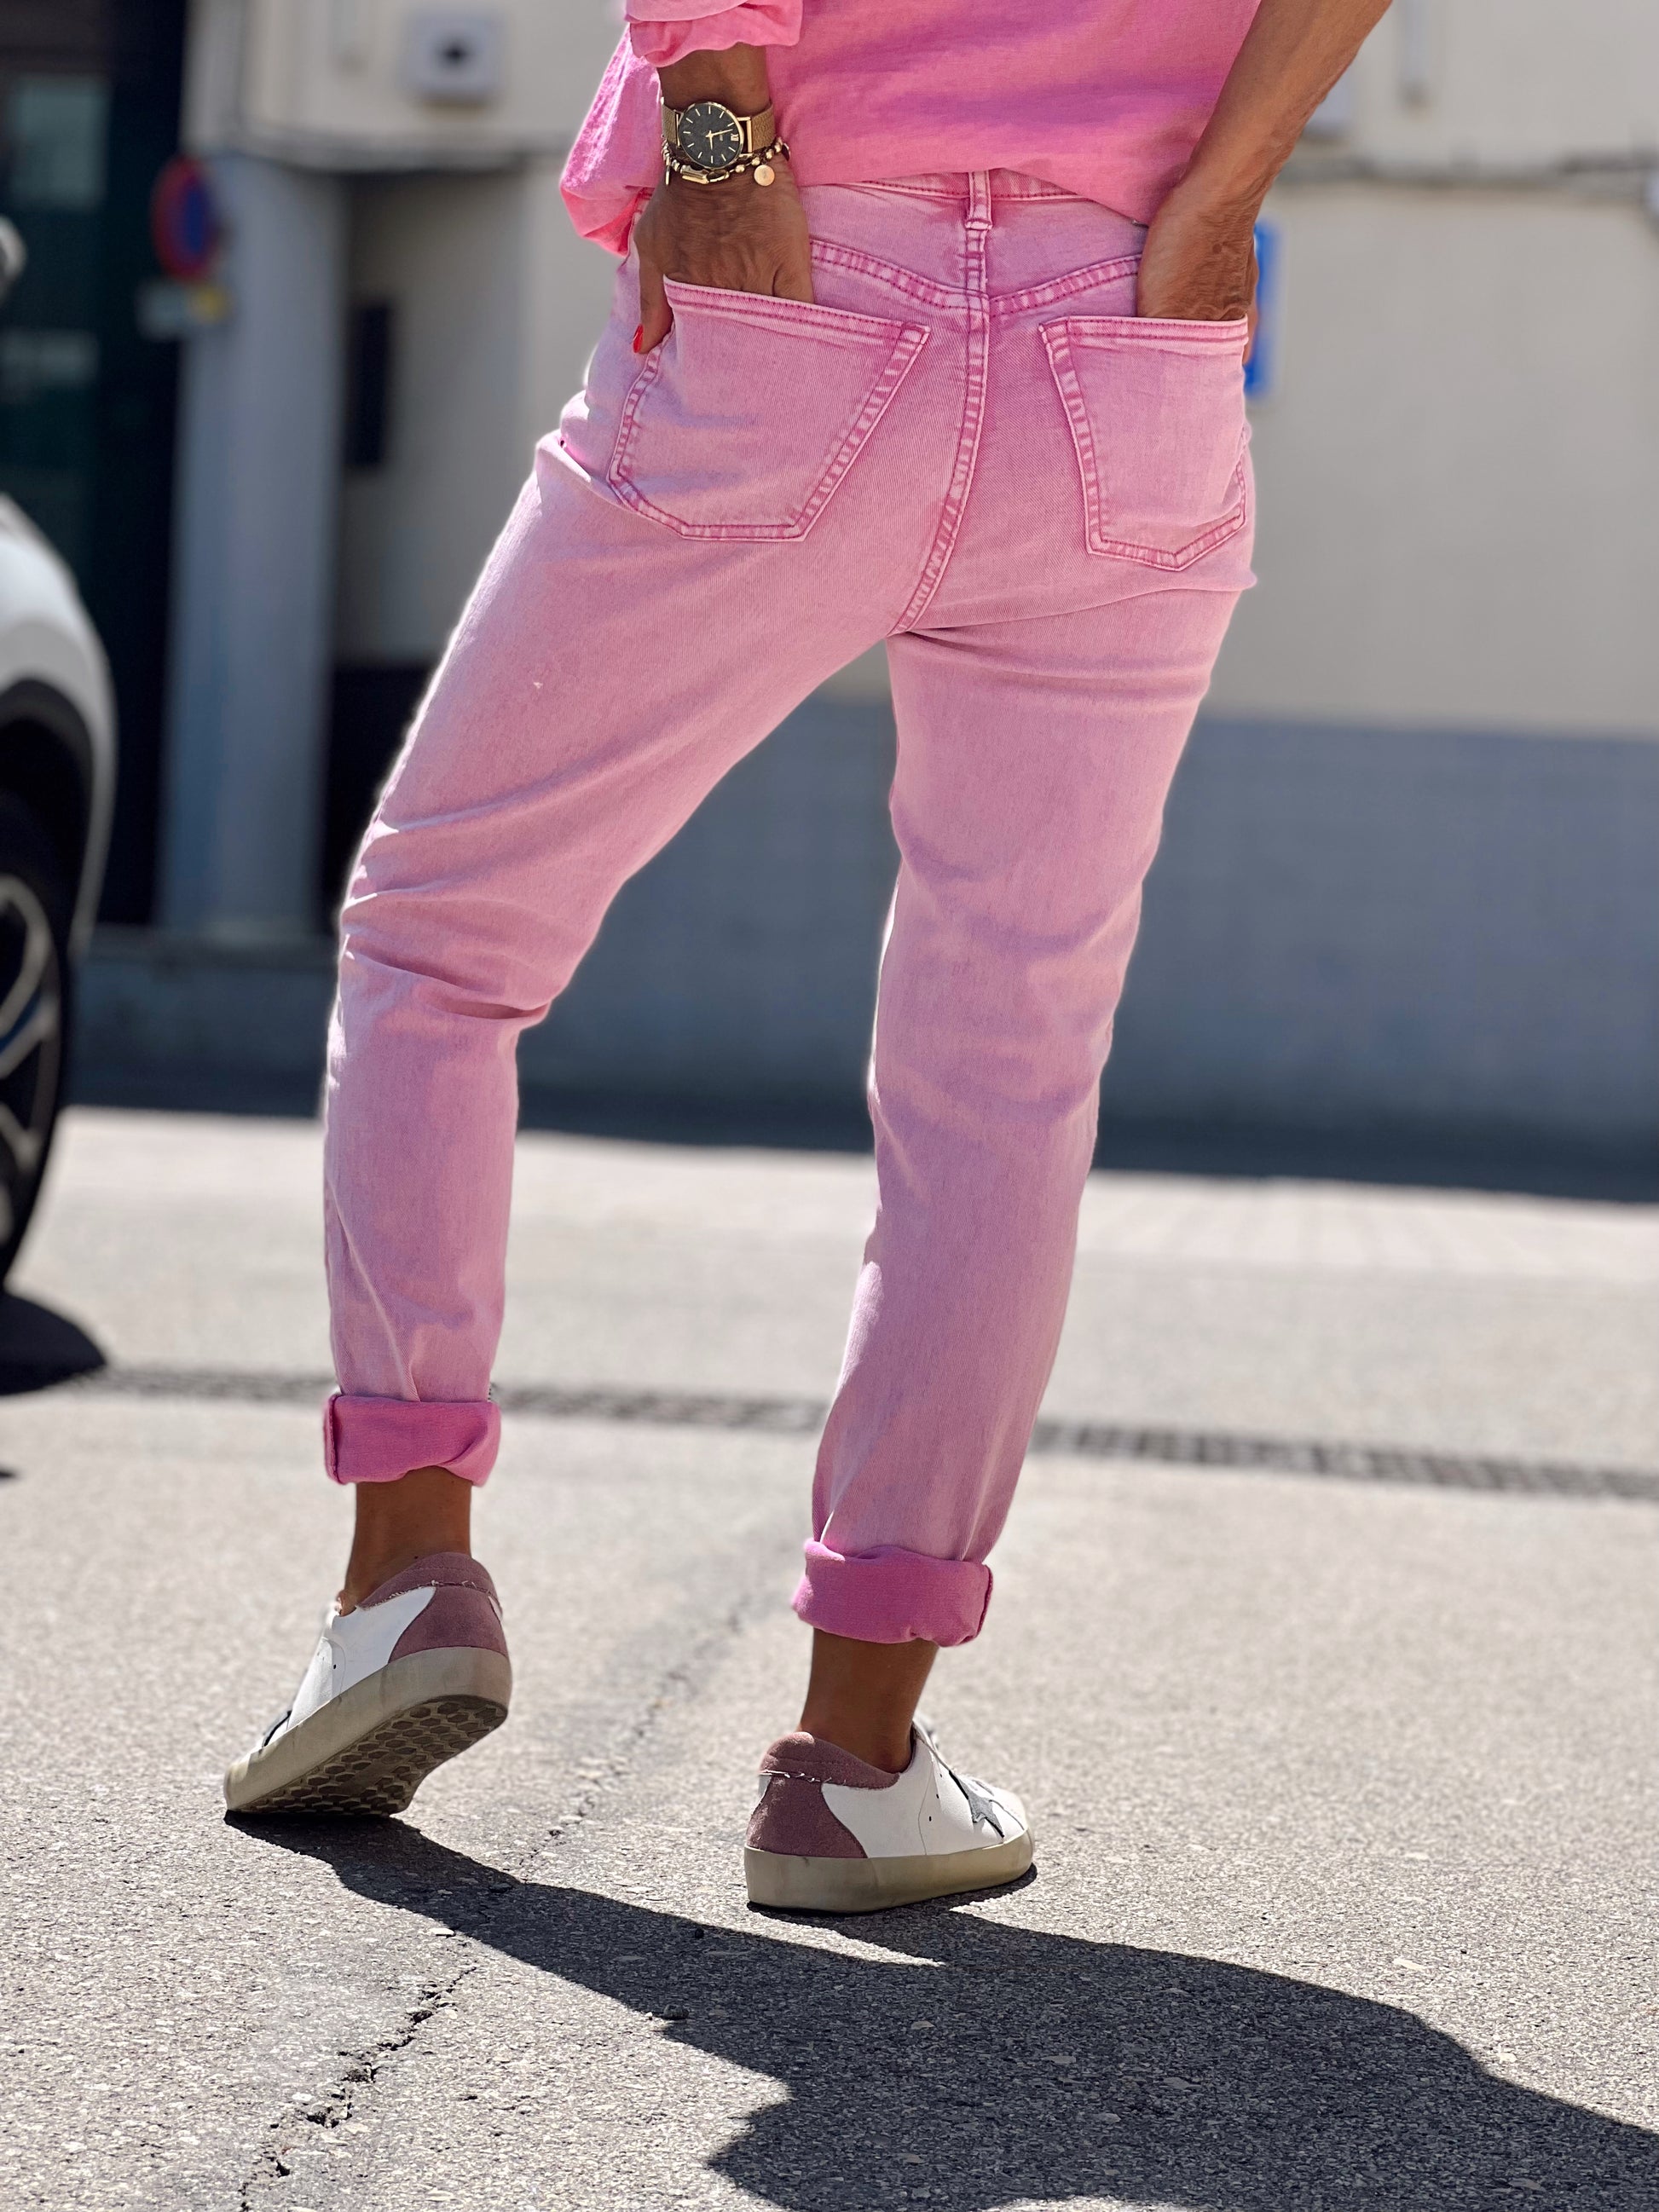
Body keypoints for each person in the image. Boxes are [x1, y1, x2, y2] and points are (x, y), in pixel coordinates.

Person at [226, 0, 1389, 1909]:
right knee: (1005, 1062)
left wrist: (717, 132)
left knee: (441, 939)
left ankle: (407, 1570)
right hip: (1136, 315)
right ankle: (853, 1761)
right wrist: (1217, 202)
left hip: (806, 264)